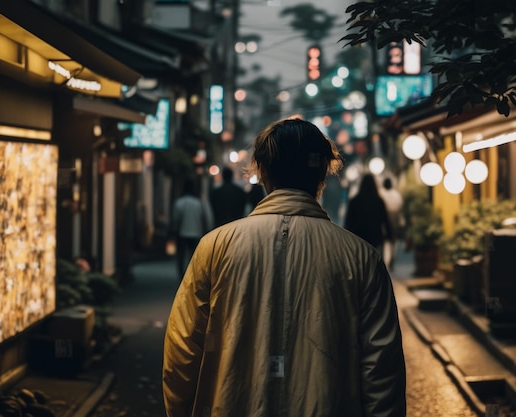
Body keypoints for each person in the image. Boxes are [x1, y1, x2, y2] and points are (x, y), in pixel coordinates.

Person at [163, 118, 406, 417]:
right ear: (322, 174)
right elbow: (382, 372)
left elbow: (182, 353)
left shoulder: (214, 247)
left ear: (261, 171)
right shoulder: (362, 257)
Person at [170, 179, 213, 279]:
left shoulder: (179, 202)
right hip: (196, 233)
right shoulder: (198, 203)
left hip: (182, 233)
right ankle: (193, 274)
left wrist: (174, 230)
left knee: (181, 255)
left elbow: (176, 219)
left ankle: (181, 275)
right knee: (194, 256)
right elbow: (204, 219)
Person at [344, 173, 393, 257]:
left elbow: (349, 221)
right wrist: (389, 234)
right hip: (375, 237)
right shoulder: (378, 201)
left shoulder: (355, 201)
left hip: (358, 236)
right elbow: (385, 219)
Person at [379, 176, 406, 270]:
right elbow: (400, 208)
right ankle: (391, 260)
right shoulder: (396, 195)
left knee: (384, 241)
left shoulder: (380, 193)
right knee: (393, 242)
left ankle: (385, 261)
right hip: (395, 219)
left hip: (383, 218)